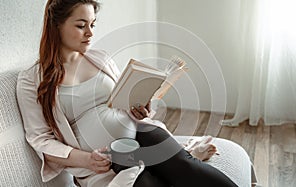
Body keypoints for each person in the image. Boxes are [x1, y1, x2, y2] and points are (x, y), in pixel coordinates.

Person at [16, 0, 237, 186]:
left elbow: (123, 101)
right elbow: (41, 140)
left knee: (187, 167)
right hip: (104, 161)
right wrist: (87, 161)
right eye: (81, 25)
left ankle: (186, 158)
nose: (90, 33)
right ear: (57, 26)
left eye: (93, 24)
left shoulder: (100, 58)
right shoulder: (31, 80)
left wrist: (140, 109)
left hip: (141, 133)